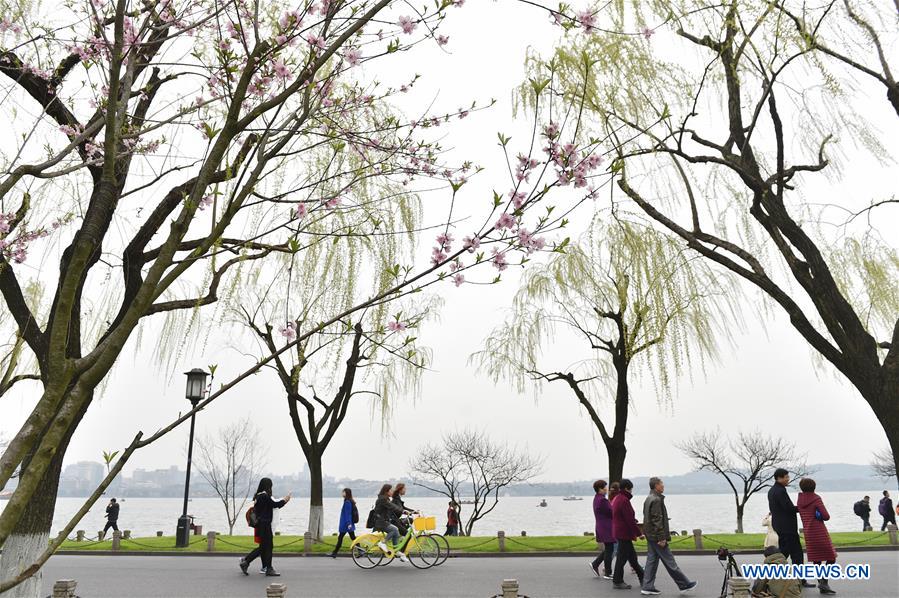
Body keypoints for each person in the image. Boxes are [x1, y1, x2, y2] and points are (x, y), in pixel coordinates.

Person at [640, 477, 698, 595]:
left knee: (652, 561)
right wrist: (661, 538)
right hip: (657, 537)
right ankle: (684, 584)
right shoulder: (656, 499)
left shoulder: (648, 498)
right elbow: (657, 519)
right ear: (656, 485)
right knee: (669, 561)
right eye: (661, 484)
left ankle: (647, 586)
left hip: (650, 535)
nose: (663, 486)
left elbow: (647, 518)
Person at [767, 468, 814, 588]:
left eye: (788, 477)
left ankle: (771, 576)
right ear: (779, 478)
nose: (788, 479)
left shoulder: (772, 490)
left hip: (780, 526)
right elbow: (788, 508)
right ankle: (800, 580)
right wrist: (803, 507)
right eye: (786, 477)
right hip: (787, 528)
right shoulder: (780, 491)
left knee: (784, 553)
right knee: (797, 554)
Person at [240, 478, 291, 577]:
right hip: (265, 525)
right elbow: (275, 505)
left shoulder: (258, 496)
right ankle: (264, 567)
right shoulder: (264, 496)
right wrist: (285, 500)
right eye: (270, 486)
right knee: (266, 547)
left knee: (264, 547)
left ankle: (250, 563)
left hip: (261, 525)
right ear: (268, 486)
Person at [797, 478, 837, 595]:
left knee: (817, 559)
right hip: (819, 531)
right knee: (831, 557)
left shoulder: (800, 500)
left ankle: (822, 582)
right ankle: (824, 581)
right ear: (813, 487)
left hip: (808, 533)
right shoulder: (816, 498)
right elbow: (826, 516)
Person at [610, 478, 644, 590]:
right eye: (631, 489)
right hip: (624, 533)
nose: (631, 492)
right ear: (627, 488)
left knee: (632, 558)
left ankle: (643, 577)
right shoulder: (624, 500)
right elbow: (629, 519)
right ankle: (618, 581)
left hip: (619, 531)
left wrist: (633, 522)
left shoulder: (617, 498)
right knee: (622, 558)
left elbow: (623, 517)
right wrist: (639, 534)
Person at [373, 483, 408, 562]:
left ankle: (396, 550)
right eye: (391, 490)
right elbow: (392, 506)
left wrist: (403, 511)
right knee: (394, 529)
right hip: (380, 522)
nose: (392, 491)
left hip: (384, 521)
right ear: (386, 491)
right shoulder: (382, 499)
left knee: (396, 531)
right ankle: (383, 543)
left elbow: (393, 507)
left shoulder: (386, 499)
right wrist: (403, 511)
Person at [589, 479, 615, 579]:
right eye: (605, 487)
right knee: (610, 549)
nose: (607, 489)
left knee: (609, 548)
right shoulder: (603, 500)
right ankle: (608, 572)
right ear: (600, 488)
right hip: (606, 527)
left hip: (601, 526)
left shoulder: (596, 498)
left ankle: (595, 564)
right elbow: (611, 512)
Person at [330, 488, 357, 558]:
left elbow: (347, 514)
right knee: (352, 537)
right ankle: (334, 553)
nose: (342, 493)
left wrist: (348, 524)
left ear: (346, 493)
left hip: (346, 524)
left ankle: (334, 553)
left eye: (343, 492)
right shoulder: (348, 501)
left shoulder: (347, 502)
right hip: (347, 523)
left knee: (343, 537)